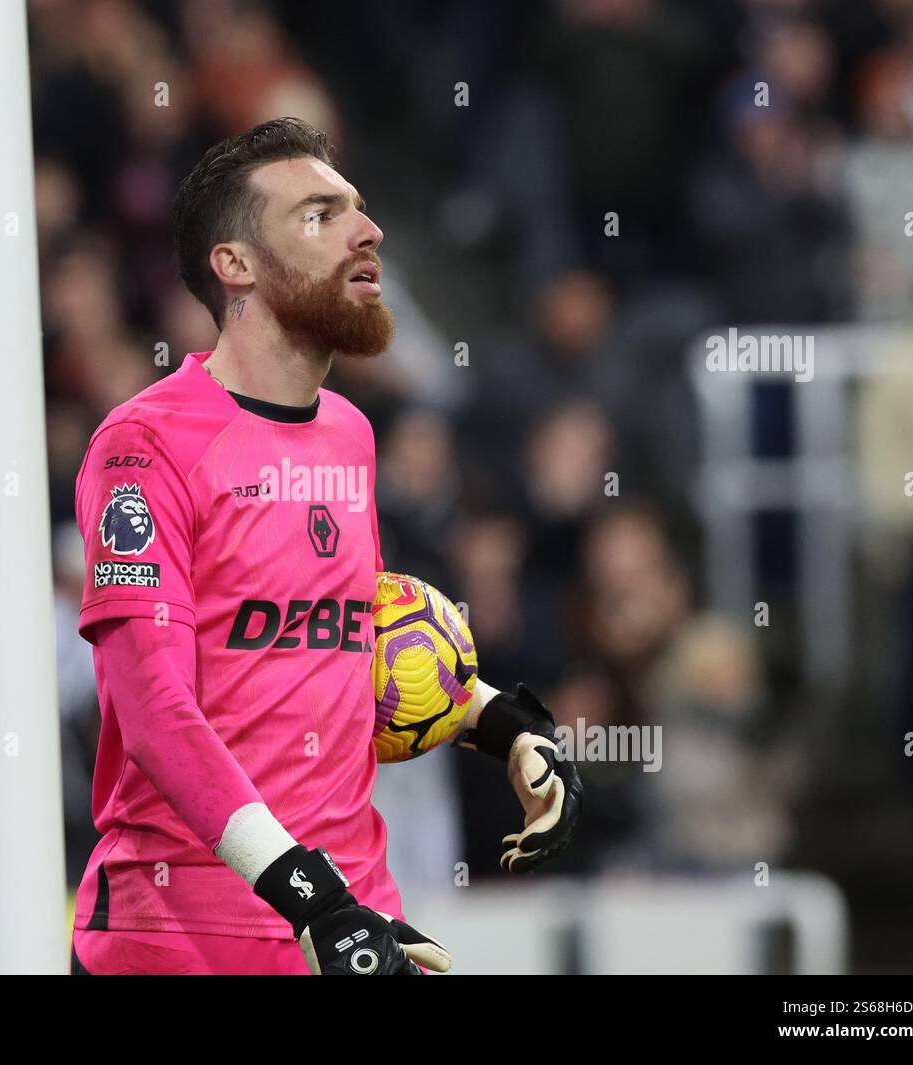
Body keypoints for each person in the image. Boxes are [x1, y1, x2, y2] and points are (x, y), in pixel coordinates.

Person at [69, 117, 582, 975]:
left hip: (356, 922)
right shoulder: (144, 445)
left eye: (359, 209)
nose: (367, 229)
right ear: (235, 265)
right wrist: (311, 895)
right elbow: (157, 714)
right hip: (187, 937)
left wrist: (504, 724)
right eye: (319, 215)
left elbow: (349, 642)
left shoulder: (349, 433)